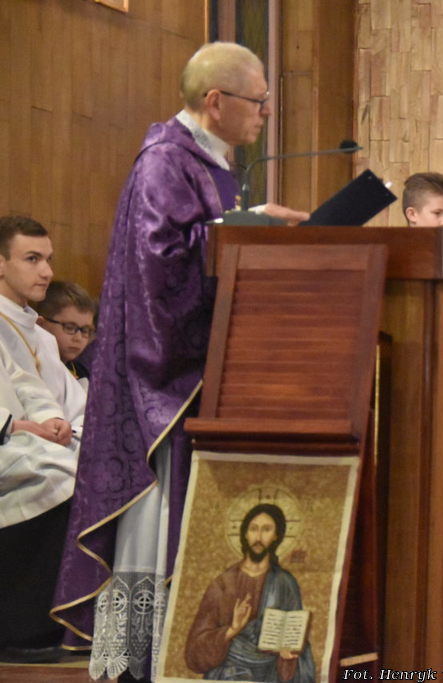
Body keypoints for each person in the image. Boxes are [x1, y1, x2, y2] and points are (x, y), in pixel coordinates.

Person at [52, 42, 309, 681]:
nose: (267, 112)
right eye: (258, 100)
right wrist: (247, 228)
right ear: (215, 101)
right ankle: (149, 656)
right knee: (161, 514)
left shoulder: (207, 163)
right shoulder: (166, 162)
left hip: (204, 373)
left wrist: (246, 228)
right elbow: (159, 268)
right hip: (162, 385)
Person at [0, 343, 76, 664]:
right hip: (8, 435)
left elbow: (23, 380)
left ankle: (62, 619)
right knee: (55, 473)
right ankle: (21, 629)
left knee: (81, 465)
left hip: (14, 437)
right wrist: (12, 424)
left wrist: (51, 417)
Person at [185, 504, 314, 682]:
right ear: (245, 534)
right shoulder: (223, 583)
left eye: (266, 530)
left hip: (270, 675)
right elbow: (195, 648)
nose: (258, 537)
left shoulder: (285, 584)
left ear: (276, 536)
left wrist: (288, 653)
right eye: (253, 529)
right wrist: (232, 630)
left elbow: (295, 638)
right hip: (227, 674)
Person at [0, 216, 86, 431]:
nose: (47, 272)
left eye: (48, 260)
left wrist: (68, 431)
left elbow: (81, 412)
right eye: (32, 259)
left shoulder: (45, 339)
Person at [35, 280, 97, 385]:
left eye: (85, 330)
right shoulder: (33, 369)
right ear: (40, 325)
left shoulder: (81, 371)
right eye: (70, 328)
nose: (78, 338)